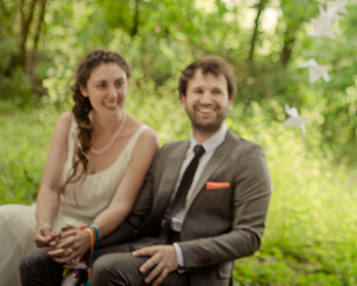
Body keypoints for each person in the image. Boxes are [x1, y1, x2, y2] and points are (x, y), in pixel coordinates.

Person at [20, 55, 272, 286]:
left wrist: (179, 254)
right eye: (198, 91)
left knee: (108, 270)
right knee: (40, 260)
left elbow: (249, 236)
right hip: (147, 246)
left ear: (230, 101)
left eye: (216, 92)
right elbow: (137, 217)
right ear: (183, 100)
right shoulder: (169, 152)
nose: (206, 99)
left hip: (196, 269)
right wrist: (89, 237)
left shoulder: (247, 156)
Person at [0, 49, 158, 286]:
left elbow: (122, 204)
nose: (113, 94)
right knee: (5, 219)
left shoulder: (144, 138)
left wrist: (89, 235)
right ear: (84, 90)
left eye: (119, 84)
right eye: (102, 85)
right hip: (49, 218)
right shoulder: (67, 122)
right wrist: (43, 225)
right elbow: (50, 187)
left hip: (94, 229)